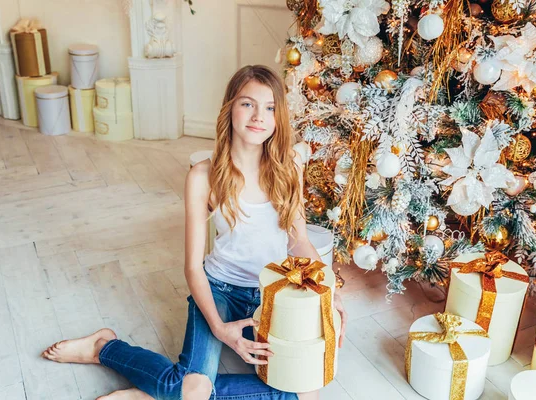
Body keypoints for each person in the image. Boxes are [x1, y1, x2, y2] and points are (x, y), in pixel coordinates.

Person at [42, 65, 347, 400]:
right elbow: (192, 267)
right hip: (219, 288)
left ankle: (153, 395)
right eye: (248, 104)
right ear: (229, 107)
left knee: (304, 394)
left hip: (273, 292)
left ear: (279, 117)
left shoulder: (290, 166)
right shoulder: (203, 176)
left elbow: (299, 240)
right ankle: (105, 347)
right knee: (194, 387)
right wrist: (219, 327)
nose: (259, 115)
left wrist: (328, 291)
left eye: (270, 107)